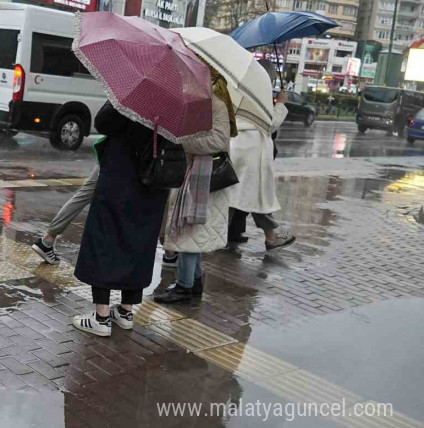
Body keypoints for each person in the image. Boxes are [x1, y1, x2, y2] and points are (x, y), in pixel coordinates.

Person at [70, 101, 171, 337]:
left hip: (120, 181)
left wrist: (116, 100)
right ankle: (125, 312)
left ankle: (101, 317)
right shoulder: (174, 105)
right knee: (139, 243)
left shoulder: (133, 95)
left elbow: (102, 122)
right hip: (153, 185)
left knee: (104, 239)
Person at [154, 69, 235, 304]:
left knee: (189, 230)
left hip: (204, 176)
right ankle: (195, 281)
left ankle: (184, 287)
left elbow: (219, 141)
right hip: (194, 173)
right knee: (193, 231)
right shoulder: (200, 104)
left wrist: (185, 143)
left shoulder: (217, 105)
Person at [227, 61, 295, 251]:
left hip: (236, 149)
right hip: (253, 155)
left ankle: (270, 238)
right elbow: (270, 123)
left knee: (234, 197)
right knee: (256, 198)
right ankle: (271, 239)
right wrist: (280, 104)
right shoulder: (258, 94)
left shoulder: (236, 89)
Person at [31, 164, 99, 264]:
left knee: (85, 196)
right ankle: (47, 240)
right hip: (116, 157)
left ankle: (48, 239)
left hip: (111, 156)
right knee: (85, 195)